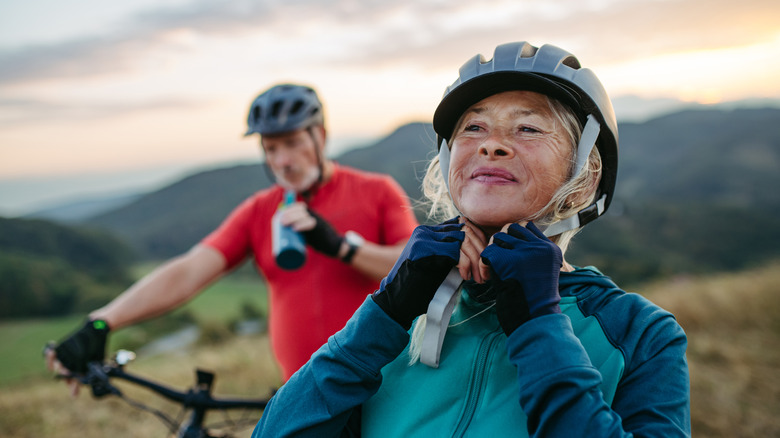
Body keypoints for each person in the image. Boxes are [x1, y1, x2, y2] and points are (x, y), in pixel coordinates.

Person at [252, 42, 691, 437]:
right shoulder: (399, 328)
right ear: (448, 161)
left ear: (584, 174)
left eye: (528, 129)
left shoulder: (640, 333)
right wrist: (387, 309)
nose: (492, 145)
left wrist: (539, 325)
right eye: (473, 128)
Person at [45, 83, 419, 388]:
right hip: (303, 393)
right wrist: (102, 321)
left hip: (382, 383)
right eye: (271, 148)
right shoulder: (260, 210)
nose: (282, 161)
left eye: (292, 143)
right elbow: (189, 271)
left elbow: (413, 264)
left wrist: (342, 246)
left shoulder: (377, 191)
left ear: (320, 136)